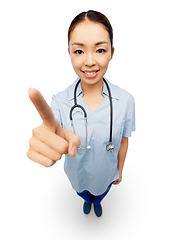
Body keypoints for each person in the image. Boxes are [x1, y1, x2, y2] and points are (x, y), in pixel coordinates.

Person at [27, 10, 135, 218]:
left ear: (111, 52)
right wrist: (47, 138)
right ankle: (87, 201)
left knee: (101, 193)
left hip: (106, 174)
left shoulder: (126, 100)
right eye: (79, 51)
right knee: (83, 193)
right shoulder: (59, 101)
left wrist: (119, 170)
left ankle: (98, 202)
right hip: (78, 176)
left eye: (100, 50)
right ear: (69, 52)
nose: (89, 61)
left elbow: (123, 141)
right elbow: (51, 129)